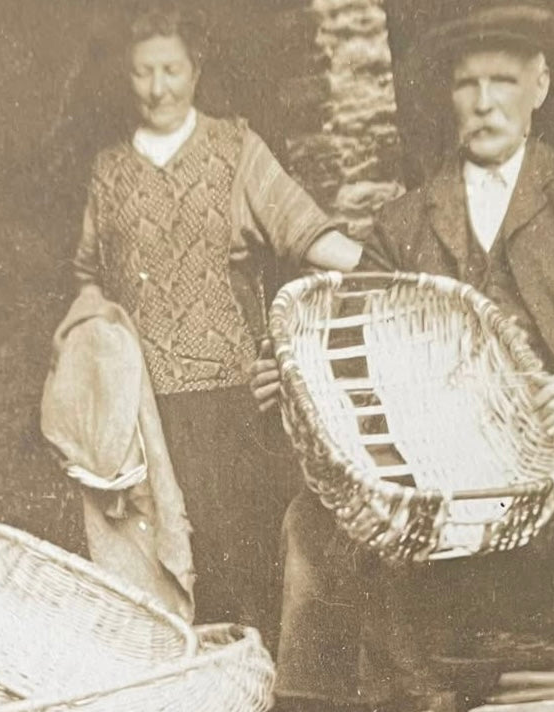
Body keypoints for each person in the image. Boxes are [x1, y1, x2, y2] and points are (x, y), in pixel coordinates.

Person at [252, 0, 554, 712]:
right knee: (347, 518)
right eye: (467, 85)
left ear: (540, 86)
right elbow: (359, 338)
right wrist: (298, 375)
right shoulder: (402, 220)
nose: (484, 101)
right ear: (447, 98)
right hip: (447, 450)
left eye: (503, 82)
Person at [72, 0, 360, 631]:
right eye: (143, 73)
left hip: (231, 406)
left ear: (195, 69)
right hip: (145, 415)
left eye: (170, 69)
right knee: (163, 576)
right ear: (128, 76)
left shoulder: (236, 149)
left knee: (246, 566)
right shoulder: (109, 171)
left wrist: (381, 267)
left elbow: (309, 235)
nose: (157, 88)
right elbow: (89, 280)